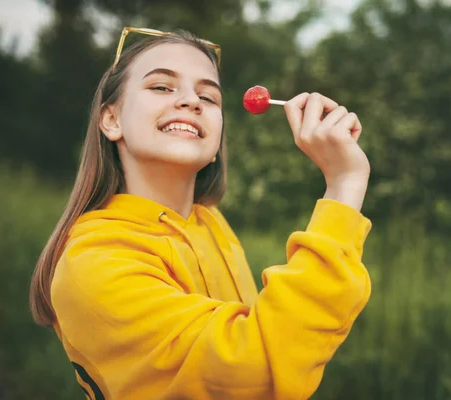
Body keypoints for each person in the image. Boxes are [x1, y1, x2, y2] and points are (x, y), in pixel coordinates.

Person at [29, 27, 372, 400]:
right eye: (162, 87)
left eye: (208, 96)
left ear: (214, 143)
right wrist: (344, 184)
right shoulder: (92, 264)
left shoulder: (210, 222)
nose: (192, 101)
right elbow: (252, 369)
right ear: (111, 120)